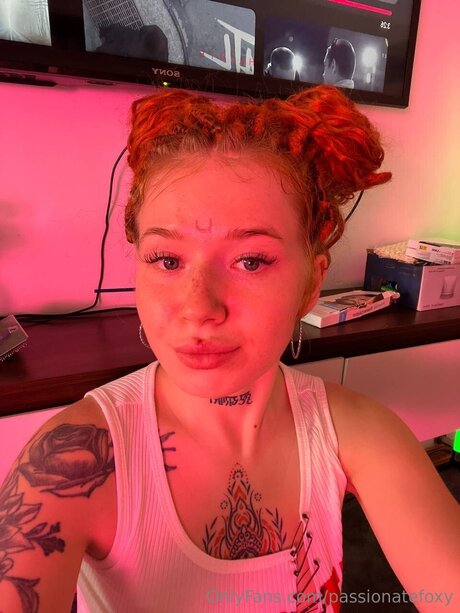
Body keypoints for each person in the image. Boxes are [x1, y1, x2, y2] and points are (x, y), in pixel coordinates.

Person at [1, 85, 459, 612]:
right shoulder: (71, 462)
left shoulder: (358, 433)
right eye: (167, 261)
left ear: (312, 282)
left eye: (251, 261)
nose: (199, 308)